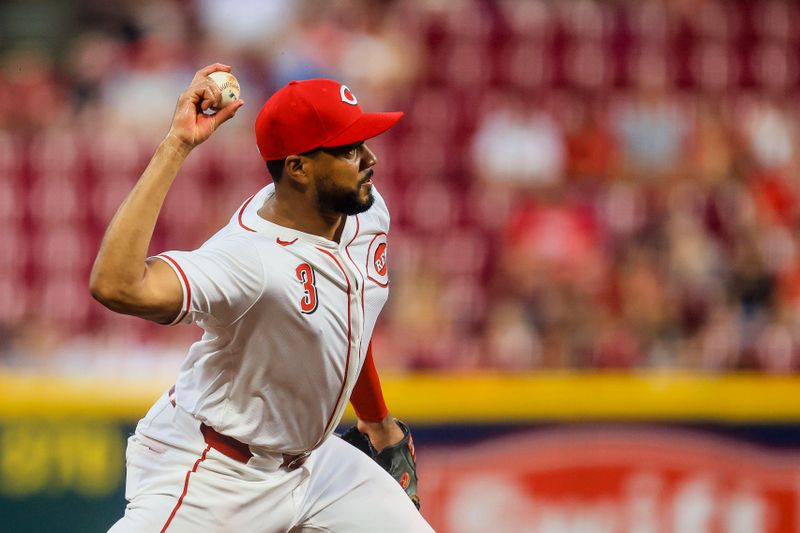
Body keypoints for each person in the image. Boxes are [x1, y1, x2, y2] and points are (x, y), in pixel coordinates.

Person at [90, 63, 435, 533]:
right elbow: (116, 285)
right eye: (350, 149)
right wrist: (177, 145)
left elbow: (350, 321)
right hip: (216, 470)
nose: (370, 158)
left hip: (316, 465)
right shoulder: (248, 261)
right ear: (298, 168)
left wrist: (375, 419)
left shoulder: (365, 211)